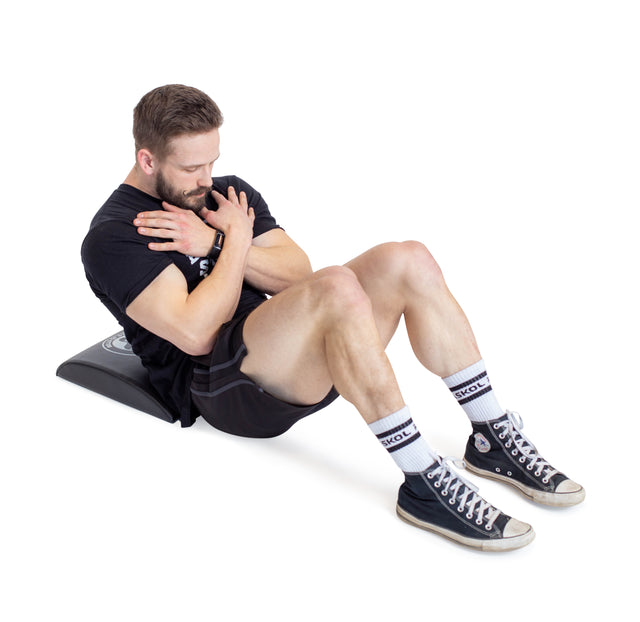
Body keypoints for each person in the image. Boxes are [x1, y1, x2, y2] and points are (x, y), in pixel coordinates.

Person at [82, 84, 584, 551]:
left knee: (407, 257)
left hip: (290, 357)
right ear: (147, 159)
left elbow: (296, 273)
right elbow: (195, 334)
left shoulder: (223, 198)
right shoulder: (117, 234)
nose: (206, 180)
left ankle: (491, 433)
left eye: (213, 162)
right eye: (191, 168)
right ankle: (422, 480)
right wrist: (236, 241)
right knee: (336, 285)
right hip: (223, 389)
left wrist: (215, 239)